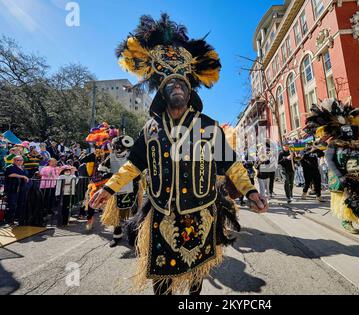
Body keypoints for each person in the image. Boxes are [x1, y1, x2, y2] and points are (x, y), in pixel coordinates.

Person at [90, 14, 267, 295]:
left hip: (202, 213)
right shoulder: (150, 129)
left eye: (182, 85)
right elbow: (134, 165)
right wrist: (109, 189)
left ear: (190, 93)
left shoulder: (208, 126)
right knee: (161, 280)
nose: (177, 88)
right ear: (162, 93)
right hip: (161, 214)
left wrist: (251, 192)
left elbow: (231, 164)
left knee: (196, 276)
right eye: (171, 85)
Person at [306, 98, 359, 242]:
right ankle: (347, 221)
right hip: (347, 180)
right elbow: (330, 160)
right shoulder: (334, 144)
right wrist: (341, 176)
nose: (351, 134)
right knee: (349, 203)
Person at [100, 135, 143, 247]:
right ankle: (117, 235)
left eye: (121, 146)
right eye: (117, 146)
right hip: (117, 190)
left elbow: (138, 169)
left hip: (132, 189)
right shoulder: (111, 157)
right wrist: (107, 175)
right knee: (117, 213)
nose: (119, 149)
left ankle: (135, 236)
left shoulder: (131, 157)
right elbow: (102, 169)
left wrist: (137, 177)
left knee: (135, 212)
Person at [4, 156, 29, 225]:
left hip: (22, 188)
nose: (20, 161)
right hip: (13, 189)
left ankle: (17, 218)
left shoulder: (23, 168)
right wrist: (22, 176)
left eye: (21, 160)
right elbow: (10, 174)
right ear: (14, 161)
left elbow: (27, 176)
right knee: (12, 204)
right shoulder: (10, 167)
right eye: (18, 160)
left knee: (21, 203)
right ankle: (9, 220)